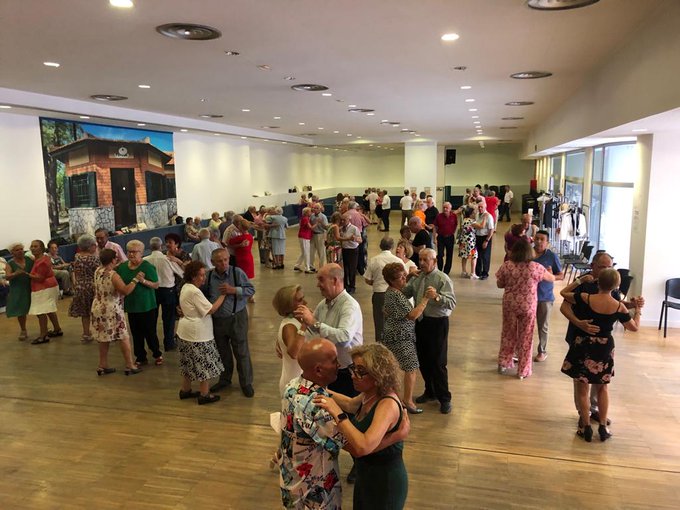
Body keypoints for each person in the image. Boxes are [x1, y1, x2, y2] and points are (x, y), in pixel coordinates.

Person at [314, 344, 410, 510]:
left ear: (378, 374)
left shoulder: (387, 404)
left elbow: (362, 447)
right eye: (353, 369)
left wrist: (337, 412)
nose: (353, 376)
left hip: (384, 481)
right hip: (366, 475)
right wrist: (320, 390)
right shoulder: (370, 393)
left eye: (360, 371)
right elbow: (350, 404)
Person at [559, 252, 644, 427]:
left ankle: (595, 410)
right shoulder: (584, 283)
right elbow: (564, 305)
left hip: (600, 341)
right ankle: (583, 414)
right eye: (602, 267)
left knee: (599, 379)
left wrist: (634, 304)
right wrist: (579, 323)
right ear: (593, 266)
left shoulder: (611, 285)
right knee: (581, 380)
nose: (606, 270)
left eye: (609, 267)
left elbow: (615, 305)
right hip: (579, 336)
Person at [278, 339, 347, 509]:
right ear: (318, 369)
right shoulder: (318, 407)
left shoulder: (293, 385)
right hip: (314, 490)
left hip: (291, 478)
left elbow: (324, 394)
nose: (339, 364)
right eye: (334, 361)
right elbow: (356, 446)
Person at [294, 263, 363, 398]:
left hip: (347, 372)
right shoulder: (323, 304)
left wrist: (315, 323)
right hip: (330, 371)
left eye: (321, 280)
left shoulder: (350, 306)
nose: (317, 285)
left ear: (335, 280)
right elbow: (313, 333)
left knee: (346, 413)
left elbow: (344, 338)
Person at [403, 249, 456, 414]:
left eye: (426, 260)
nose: (422, 263)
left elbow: (452, 302)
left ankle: (444, 398)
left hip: (438, 323)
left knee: (438, 362)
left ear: (435, 261)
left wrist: (437, 297)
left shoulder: (442, 279)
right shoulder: (418, 277)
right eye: (420, 259)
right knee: (423, 360)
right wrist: (407, 278)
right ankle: (430, 391)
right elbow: (405, 293)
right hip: (420, 321)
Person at [496, 239, 554, 379]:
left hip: (510, 304)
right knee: (526, 336)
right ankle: (523, 370)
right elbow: (551, 278)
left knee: (508, 333)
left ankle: (504, 363)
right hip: (528, 305)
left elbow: (499, 284)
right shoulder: (536, 267)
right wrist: (549, 271)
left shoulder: (507, 266)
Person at [203, 248, 256, 397]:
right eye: (220, 261)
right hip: (217, 320)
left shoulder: (236, 272)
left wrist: (234, 290)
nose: (224, 263)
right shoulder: (208, 277)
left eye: (226, 259)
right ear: (213, 262)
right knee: (222, 351)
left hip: (237, 318)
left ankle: (246, 383)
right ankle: (225, 379)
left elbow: (251, 290)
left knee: (241, 351)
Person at [382, 262, 430, 414]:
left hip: (394, 333)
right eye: (400, 277)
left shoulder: (391, 291)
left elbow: (400, 285)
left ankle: (392, 397)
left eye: (404, 275)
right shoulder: (395, 295)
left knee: (395, 367)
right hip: (400, 336)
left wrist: (408, 275)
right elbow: (413, 315)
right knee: (410, 368)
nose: (404, 279)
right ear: (391, 280)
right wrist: (425, 299)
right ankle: (407, 401)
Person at [177, 261, 227, 405]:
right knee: (203, 364)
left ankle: (185, 390)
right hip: (198, 334)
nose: (204, 278)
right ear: (193, 276)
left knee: (187, 363)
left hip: (185, 331)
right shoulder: (194, 291)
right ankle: (205, 394)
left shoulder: (185, 287)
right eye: (201, 275)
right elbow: (210, 310)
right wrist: (222, 296)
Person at [91, 248, 142, 376]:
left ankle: (102, 365)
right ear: (113, 260)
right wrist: (136, 279)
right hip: (112, 309)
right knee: (123, 336)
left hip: (98, 307)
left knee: (103, 337)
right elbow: (125, 290)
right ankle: (130, 365)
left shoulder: (98, 270)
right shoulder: (113, 275)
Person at [116, 240, 163, 366]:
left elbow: (156, 285)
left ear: (141, 253)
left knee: (150, 332)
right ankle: (140, 356)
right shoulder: (123, 267)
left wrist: (143, 281)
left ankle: (156, 353)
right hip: (132, 305)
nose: (131, 254)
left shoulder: (147, 266)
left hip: (147, 305)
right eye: (129, 252)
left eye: (134, 252)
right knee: (136, 333)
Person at [145, 237, 184, 351]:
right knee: (169, 318)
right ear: (161, 246)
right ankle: (169, 343)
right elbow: (181, 274)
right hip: (168, 291)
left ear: (150, 247)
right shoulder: (167, 259)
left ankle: (153, 345)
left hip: (152, 291)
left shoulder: (145, 260)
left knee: (152, 318)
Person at [533, 230, 564, 362]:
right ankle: (520, 350)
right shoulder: (528, 253)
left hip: (544, 297)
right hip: (527, 296)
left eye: (542, 239)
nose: (539, 242)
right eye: (537, 239)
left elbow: (560, 275)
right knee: (523, 325)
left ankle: (542, 351)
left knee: (543, 326)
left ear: (547, 242)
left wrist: (550, 276)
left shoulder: (551, 256)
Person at [364, 237, 403, 343]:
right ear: (392, 246)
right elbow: (405, 278)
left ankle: (380, 345)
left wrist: (375, 282)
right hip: (395, 293)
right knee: (395, 320)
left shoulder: (374, 260)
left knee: (379, 322)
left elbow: (367, 279)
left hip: (379, 294)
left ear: (380, 246)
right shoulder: (398, 261)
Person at [272, 285, 308, 394]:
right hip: (293, 384)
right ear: (289, 305)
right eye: (300, 300)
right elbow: (294, 353)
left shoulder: (295, 321)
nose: (305, 302)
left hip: (299, 380)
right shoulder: (289, 326)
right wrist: (305, 325)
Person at [27, 239, 62, 344]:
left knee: (41, 312)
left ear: (41, 248)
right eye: (32, 246)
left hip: (44, 287)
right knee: (49, 310)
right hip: (47, 286)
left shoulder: (43, 261)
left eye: (36, 246)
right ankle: (57, 329)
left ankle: (43, 335)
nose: (33, 248)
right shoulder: (40, 259)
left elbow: (39, 278)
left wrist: (26, 274)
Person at [68, 234, 101, 343]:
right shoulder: (94, 258)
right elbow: (99, 271)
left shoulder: (77, 256)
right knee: (96, 310)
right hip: (92, 286)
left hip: (80, 286)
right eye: (94, 245)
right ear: (90, 246)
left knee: (85, 312)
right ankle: (100, 332)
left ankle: (86, 333)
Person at [4, 242, 34, 340]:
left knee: (38, 307)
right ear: (12, 252)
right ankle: (23, 330)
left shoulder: (29, 259)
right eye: (17, 250)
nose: (20, 251)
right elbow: (7, 276)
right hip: (18, 289)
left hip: (31, 286)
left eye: (21, 249)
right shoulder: (10, 263)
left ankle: (44, 328)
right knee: (21, 311)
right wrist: (15, 273)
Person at [433, 201, 459, 275]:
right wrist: (434, 237)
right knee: (440, 254)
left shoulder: (454, 216)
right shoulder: (439, 216)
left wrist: (453, 232)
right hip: (441, 237)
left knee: (449, 255)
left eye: (447, 208)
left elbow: (456, 225)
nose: (445, 209)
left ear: (450, 208)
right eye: (444, 207)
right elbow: (435, 227)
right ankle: (440, 269)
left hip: (450, 237)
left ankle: (446, 271)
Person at [472, 200, 495, 280]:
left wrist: (487, 240)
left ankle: (485, 273)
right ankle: (478, 272)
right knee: (477, 255)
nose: (480, 208)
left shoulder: (489, 216)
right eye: (479, 207)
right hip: (477, 237)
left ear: (485, 207)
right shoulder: (477, 214)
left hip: (485, 237)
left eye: (482, 207)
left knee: (485, 256)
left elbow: (491, 229)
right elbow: (475, 225)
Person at [340, 213, 362, 294]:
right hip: (344, 250)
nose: (342, 221)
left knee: (352, 269)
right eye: (341, 220)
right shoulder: (341, 228)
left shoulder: (354, 229)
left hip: (353, 251)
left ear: (349, 220)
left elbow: (360, 240)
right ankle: (345, 285)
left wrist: (354, 239)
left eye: (344, 220)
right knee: (345, 269)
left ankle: (352, 286)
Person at [457, 206, 478, 279]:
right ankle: (473, 273)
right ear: (471, 214)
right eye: (474, 212)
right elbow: (481, 226)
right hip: (470, 242)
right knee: (474, 256)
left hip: (463, 241)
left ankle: (464, 271)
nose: (475, 213)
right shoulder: (472, 221)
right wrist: (485, 218)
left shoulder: (464, 220)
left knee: (464, 256)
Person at [294, 207, 314, 273]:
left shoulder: (305, 218)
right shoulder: (305, 219)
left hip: (303, 236)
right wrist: (317, 223)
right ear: (306, 212)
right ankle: (307, 268)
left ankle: (297, 265)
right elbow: (310, 227)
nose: (311, 213)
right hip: (304, 237)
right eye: (310, 211)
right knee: (306, 252)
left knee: (303, 252)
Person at [310, 202, 328, 271]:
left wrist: (321, 223)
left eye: (317, 208)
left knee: (321, 252)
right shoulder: (312, 216)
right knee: (311, 251)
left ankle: (322, 267)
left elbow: (326, 227)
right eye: (314, 208)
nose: (315, 209)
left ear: (320, 209)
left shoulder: (323, 217)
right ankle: (311, 266)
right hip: (313, 234)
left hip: (320, 234)